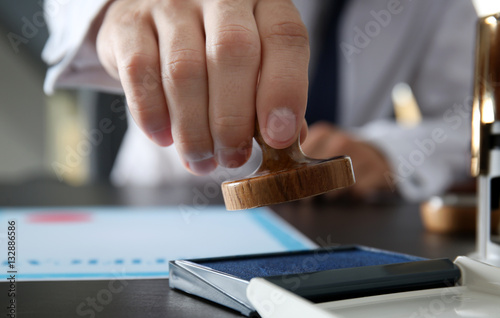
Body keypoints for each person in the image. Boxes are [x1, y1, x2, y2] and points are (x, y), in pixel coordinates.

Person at [42, 0, 477, 201]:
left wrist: (388, 154)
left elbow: (469, 118)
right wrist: (116, 11)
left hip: (339, 216)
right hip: (167, 199)